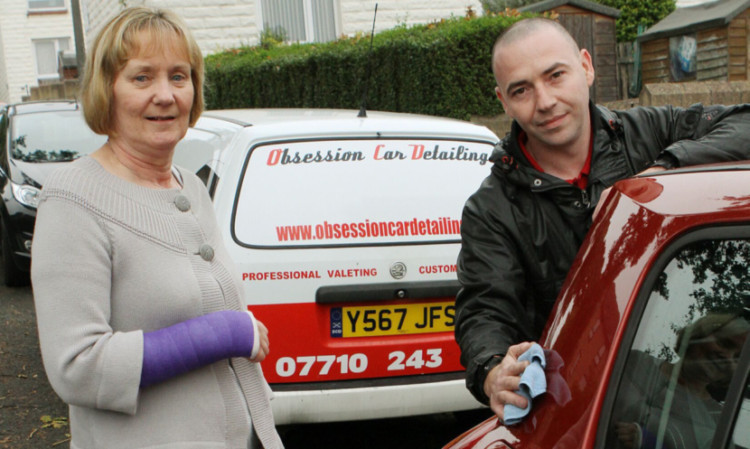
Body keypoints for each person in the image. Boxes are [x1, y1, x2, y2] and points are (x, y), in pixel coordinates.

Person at [454, 17, 750, 421]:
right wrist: (491, 370)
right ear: (503, 102)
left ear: (587, 67)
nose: (544, 101)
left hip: (682, 394)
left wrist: (660, 172)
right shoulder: (491, 210)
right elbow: (484, 309)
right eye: (521, 90)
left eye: (555, 75)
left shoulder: (649, 135)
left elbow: (744, 121)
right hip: (576, 414)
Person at [31, 7, 283, 449]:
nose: (165, 94)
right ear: (106, 90)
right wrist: (226, 333)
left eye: (179, 76)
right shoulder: (72, 198)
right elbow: (77, 366)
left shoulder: (193, 189)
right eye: (142, 77)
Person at [611, 313, 750, 449]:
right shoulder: (634, 363)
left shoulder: (720, 420)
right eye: (724, 343)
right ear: (698, 335)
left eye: (738, 358)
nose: (727, 357)